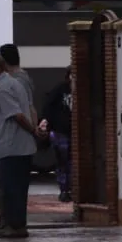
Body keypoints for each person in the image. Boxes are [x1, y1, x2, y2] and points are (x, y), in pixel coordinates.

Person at [0, 52, 39, 239]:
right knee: (5, 186)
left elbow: (17, 115)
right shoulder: (11, 84)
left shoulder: (4, 87)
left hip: (12, 147)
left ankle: (15, 226)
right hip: (10, 146)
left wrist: (33, 131)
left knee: (12, 188)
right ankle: (7, 224)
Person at [39, 66, 74, 202]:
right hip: (60, 131)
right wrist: (46, 121)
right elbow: (48, 106)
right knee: (63, 162)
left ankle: (72, 188)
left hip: (73, 132)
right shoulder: (60, 89)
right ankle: (64, 189)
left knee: (72, 163)